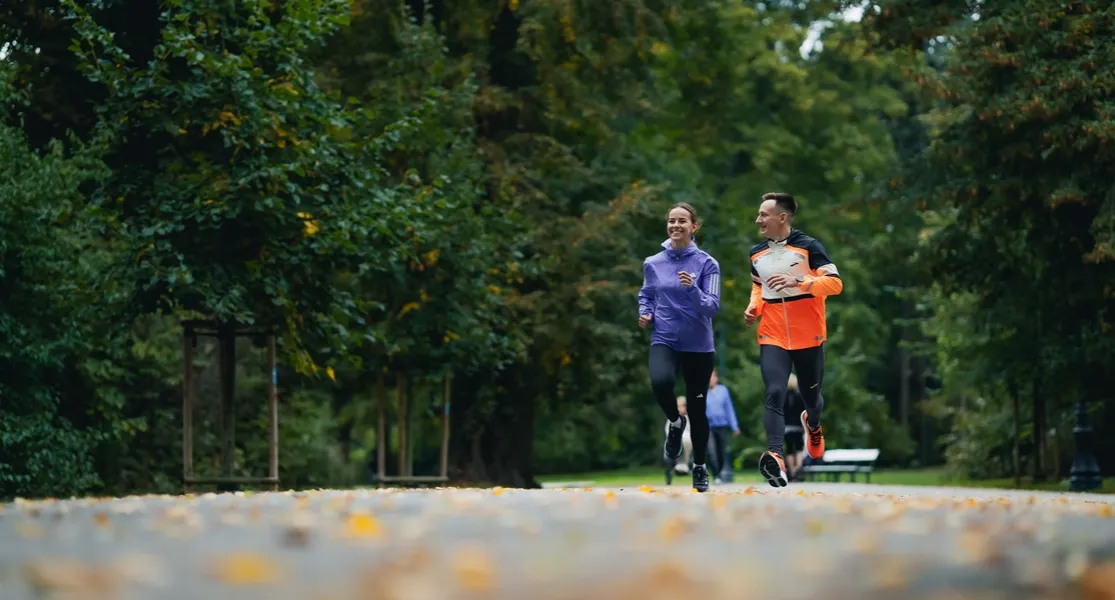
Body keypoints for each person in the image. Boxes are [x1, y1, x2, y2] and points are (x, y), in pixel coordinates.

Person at [744, 192, 842, 488]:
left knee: (811, 398)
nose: (758, 219)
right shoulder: (756, 253)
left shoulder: (809, 247)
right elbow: (758, 288)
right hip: (772, 334)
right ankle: (775, 456)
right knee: (774, 390)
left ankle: (812, 425)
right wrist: (754, 307)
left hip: (808, 336)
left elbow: (835, 284)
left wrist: (800, 281)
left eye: (763, 214)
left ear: (782, 217)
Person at [639, 202, 722, 493]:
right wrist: (645, 311)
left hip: (698, 346)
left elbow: (712, 306)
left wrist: (692, 289)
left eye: (682, 221)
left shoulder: (707, 264)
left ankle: (699, 467)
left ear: (693, 227)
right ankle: (675, 422)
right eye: (671, 221)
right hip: (665, 338)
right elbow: (647, 293)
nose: (675, 225)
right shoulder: (653, 263)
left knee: (698, 409)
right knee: (660, 382)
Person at [704, 369, 740, 483]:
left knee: (721, 452)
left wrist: (734, 426)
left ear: (716, 378)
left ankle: (719, 472)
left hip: (721, 426)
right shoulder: (703, 392)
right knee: (711, 451)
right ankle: (715, 475)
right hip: (708, 426)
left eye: (712, 377)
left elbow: (729, 409)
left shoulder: (723, 391)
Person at [663, 395, 693, 485]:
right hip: (673, 440)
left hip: (687, 440)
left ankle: (683, 465)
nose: (678, 408)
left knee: (686, 440)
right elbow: (667, 430)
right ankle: (676, 468)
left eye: (680, 406)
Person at [782, 373, 806, 481]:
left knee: (790, 450)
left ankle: (792, 473)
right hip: (798, 426)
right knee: (799, 448)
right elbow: (805, 412)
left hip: (787, 427)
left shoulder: (782, 397)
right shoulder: (800, 396)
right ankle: (798, 468)